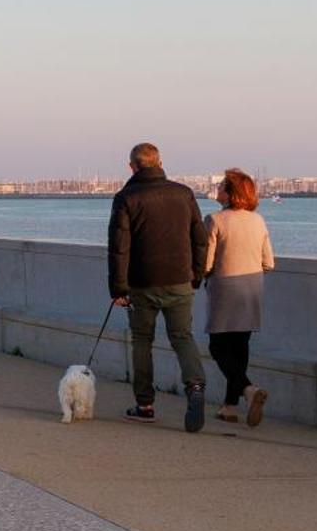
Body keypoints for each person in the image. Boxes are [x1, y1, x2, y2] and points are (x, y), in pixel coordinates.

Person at [108, 142, 211, 431]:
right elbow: (200, 239)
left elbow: (119, 248)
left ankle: (145, 405)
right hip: (180, 279)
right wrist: (196, 275)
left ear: (132, 166)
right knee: (182, 336)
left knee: (142, 341)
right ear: (160, 162)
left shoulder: (125, 198)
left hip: (142, 283)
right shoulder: (183, 193)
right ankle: (196, 387)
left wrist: (118, 288)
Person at [204, 168, 275, 426]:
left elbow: (206, 263)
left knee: (217, 346)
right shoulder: (258, 220)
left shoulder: (214, 220)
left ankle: (248, 390)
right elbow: (269, 261)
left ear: (230, 192)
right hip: (252, 286)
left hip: (225, 288)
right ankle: (230, 407)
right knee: (240, 346)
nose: (218, 189)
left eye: (222, 185)